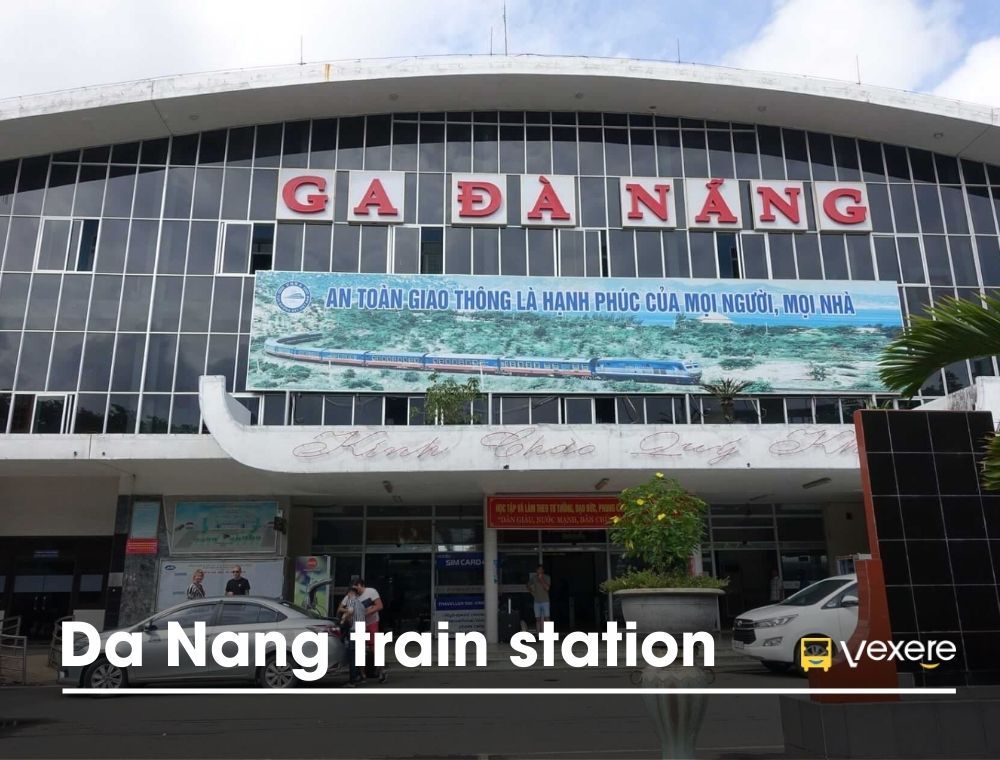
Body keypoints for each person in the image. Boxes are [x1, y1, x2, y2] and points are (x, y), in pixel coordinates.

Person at [341, 576, 386, 683]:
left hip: (371, 622)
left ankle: (381, 670)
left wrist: (365, 613)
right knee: (360, 649)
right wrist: (349, 611)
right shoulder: (351, 595)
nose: (356, 590)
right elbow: (341, 607)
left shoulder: (371, 592)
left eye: (357, 588)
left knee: (374, 646)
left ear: (361, 585)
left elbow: (379, 606)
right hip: (358, 625)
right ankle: (362, 674)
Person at [337, 587, 367, 686]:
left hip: (354, 630)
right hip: (362, 630)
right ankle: (359, 676)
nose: (347, 597)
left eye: (348, 595)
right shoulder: (361, 604)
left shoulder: (351, 601)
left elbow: (350, 612)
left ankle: (352, 681)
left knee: (353, 657)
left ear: (350, 593)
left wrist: (345, 621)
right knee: (359, 656)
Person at [526, 564, 551, 633]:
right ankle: (538, 634)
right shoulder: (534, 578)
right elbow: (528, 585)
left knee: (547, 618)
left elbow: (547, 588)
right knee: (537, 619)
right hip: (536, 601)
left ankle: (548, 634)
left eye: (540, 569)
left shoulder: (547, 577)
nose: (539, 571)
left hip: (545, 601)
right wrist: (531, 591)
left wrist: (541, 579)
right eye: (538, 570)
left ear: (543, 570)